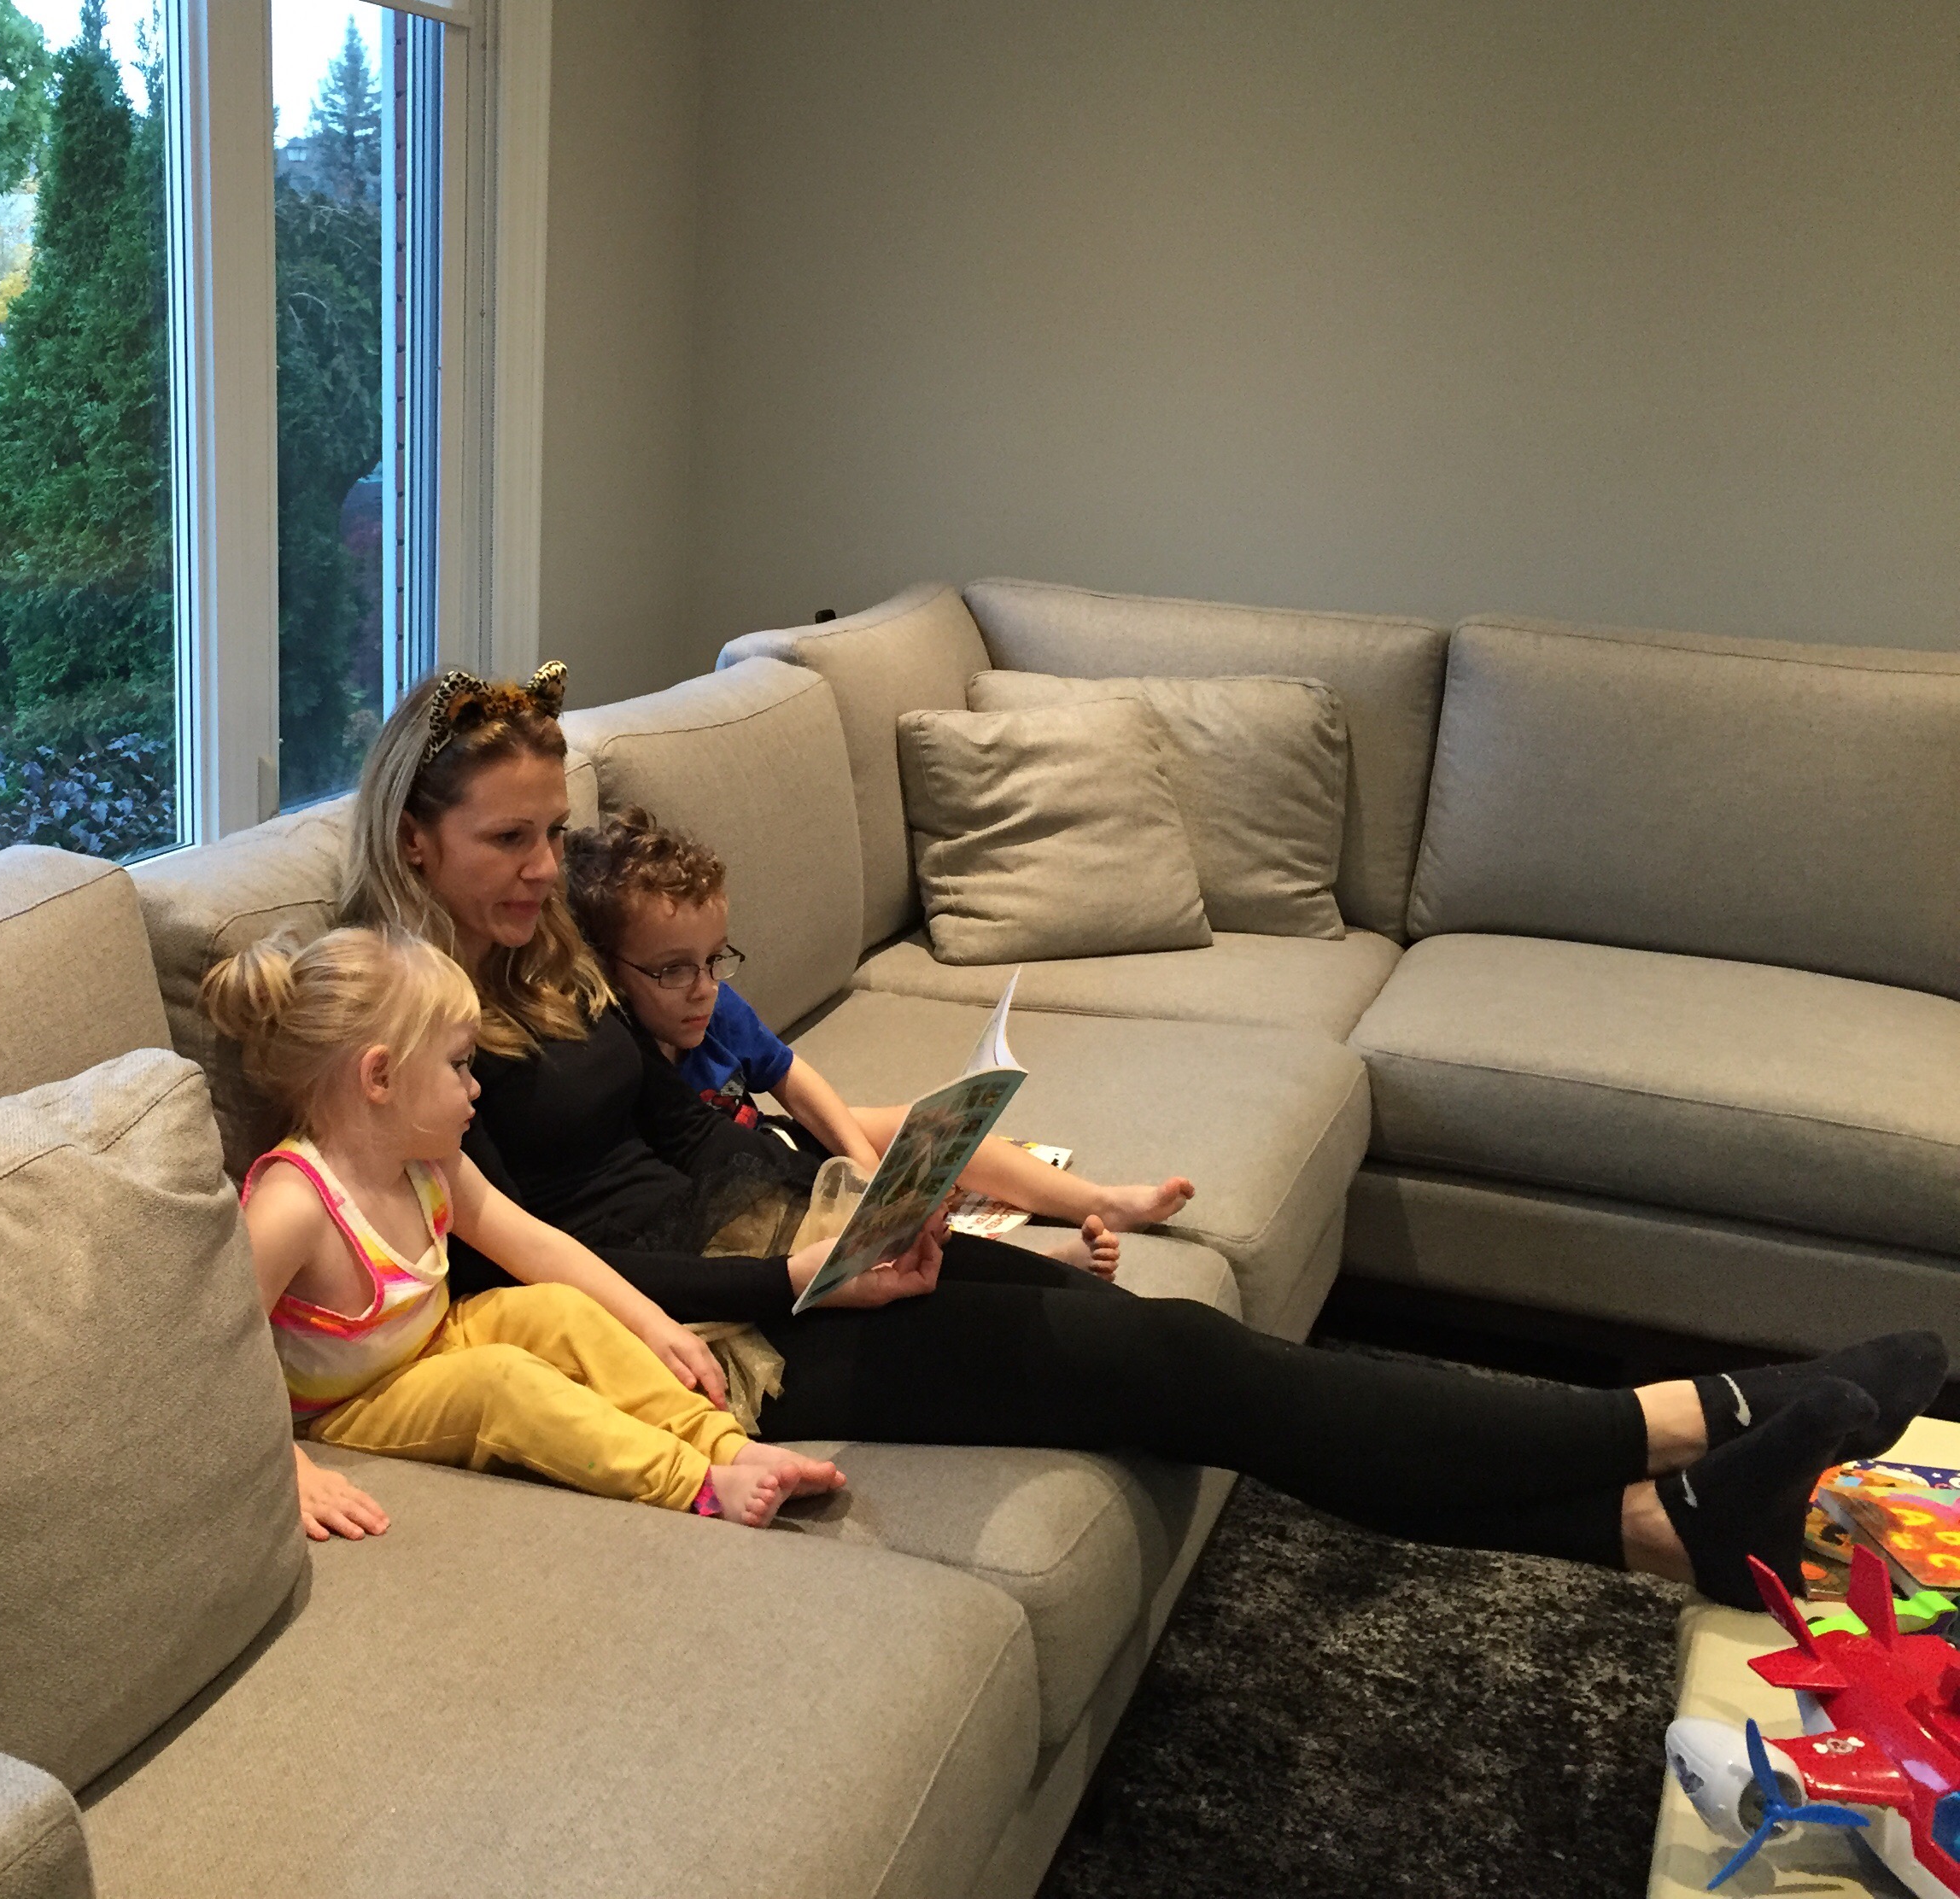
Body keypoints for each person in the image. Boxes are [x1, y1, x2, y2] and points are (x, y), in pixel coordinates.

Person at [334, 660, 1951, 1610]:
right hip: (723, 1337)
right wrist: (802, 1280)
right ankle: (1691, 1417)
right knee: (1182, 1367)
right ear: (414, 836)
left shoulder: (547, 951)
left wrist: (866, 1182)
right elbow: (501, 1263)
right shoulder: (393, 1020)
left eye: (552, 830)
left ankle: (1659, 1528)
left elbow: (703, 1100)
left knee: (1164, 1345)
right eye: (509, 839)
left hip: (802, 1232)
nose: (544, 866)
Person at [202, 922, 847, 1541]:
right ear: (380, 1077)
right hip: (349, 1404)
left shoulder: (430, 1161)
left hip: (437, 1338)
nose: (475, 1087)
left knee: (558, 1308)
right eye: (459, 1065)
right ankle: (696, 1484)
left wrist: (654, 1323)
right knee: (501, 1381)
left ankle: (726, 1445)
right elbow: (218, 1356)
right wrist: (289, 1466)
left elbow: (538, 1246)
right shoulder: (295, 1204)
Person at [564, 803, 1182, 1281]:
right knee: (883, 1242)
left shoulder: (715, 1005)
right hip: (749, 1194)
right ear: (607, 969)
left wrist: (866, 1167)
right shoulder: (619, 1062)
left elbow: (792, 1079)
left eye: (713, 959)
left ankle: (1100, 1201)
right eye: (673, 969)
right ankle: (1048, 1266)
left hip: (771, 1137)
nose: (703, 989)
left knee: (934, 1128)